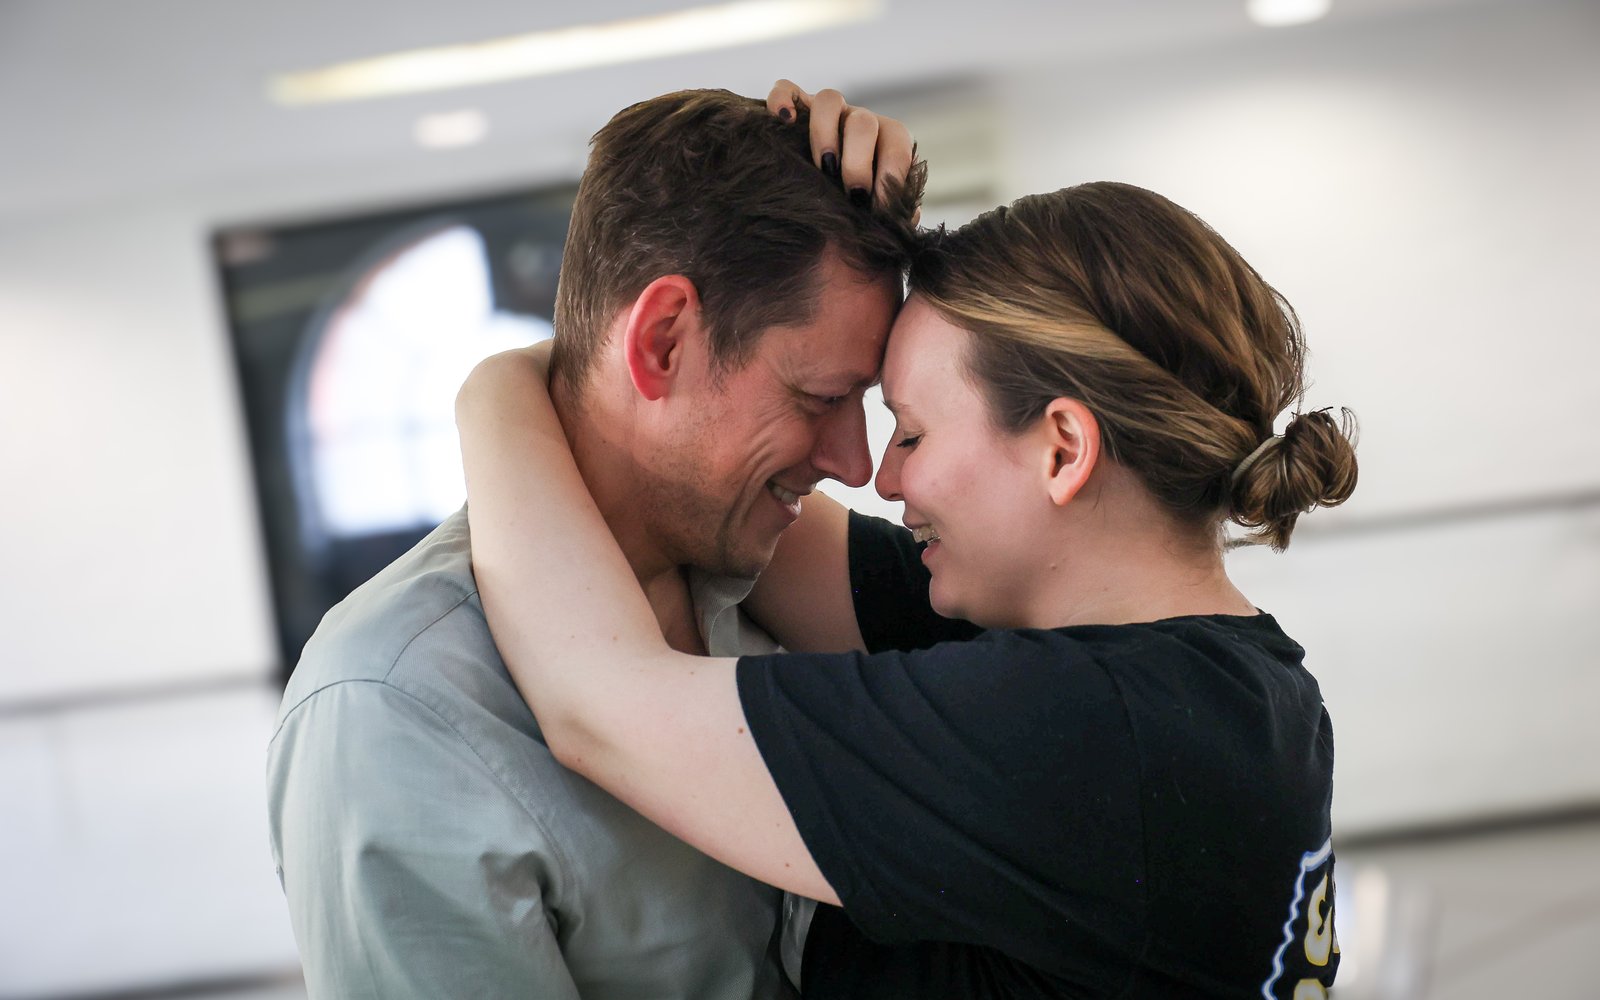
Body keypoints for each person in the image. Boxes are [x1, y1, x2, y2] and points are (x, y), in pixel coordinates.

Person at [456, 95, 1359, 998]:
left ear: (1062, 450)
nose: (876, 474)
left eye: (913, 433)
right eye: (833, 406)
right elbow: (715, 490)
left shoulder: (1092, 738)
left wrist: (505, 379)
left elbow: (600, 702)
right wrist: (828, 224)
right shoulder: (1220, 695)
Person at [266, 86, 924, 999]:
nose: (856, 464)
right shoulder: (392, 706)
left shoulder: (774, 587)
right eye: (818, 400)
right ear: (660, 340)